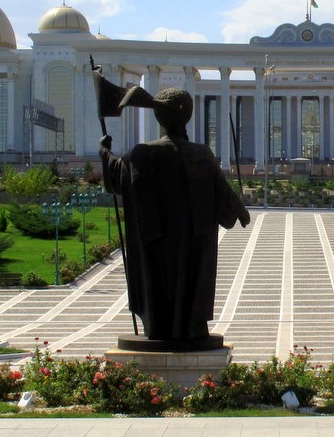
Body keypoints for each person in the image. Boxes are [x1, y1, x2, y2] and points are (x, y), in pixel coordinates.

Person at [99, 88, 250, 343]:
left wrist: (105, 152)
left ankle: (158, 328)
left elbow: (118, 176)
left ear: (159, 118)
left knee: (159, 285)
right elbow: (226, 200)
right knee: (191, 283)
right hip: (193, 243)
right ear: (188, 117)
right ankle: (191, 328)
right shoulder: (202, 155)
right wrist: (239, 210)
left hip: (157, 242)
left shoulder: (142, 154)